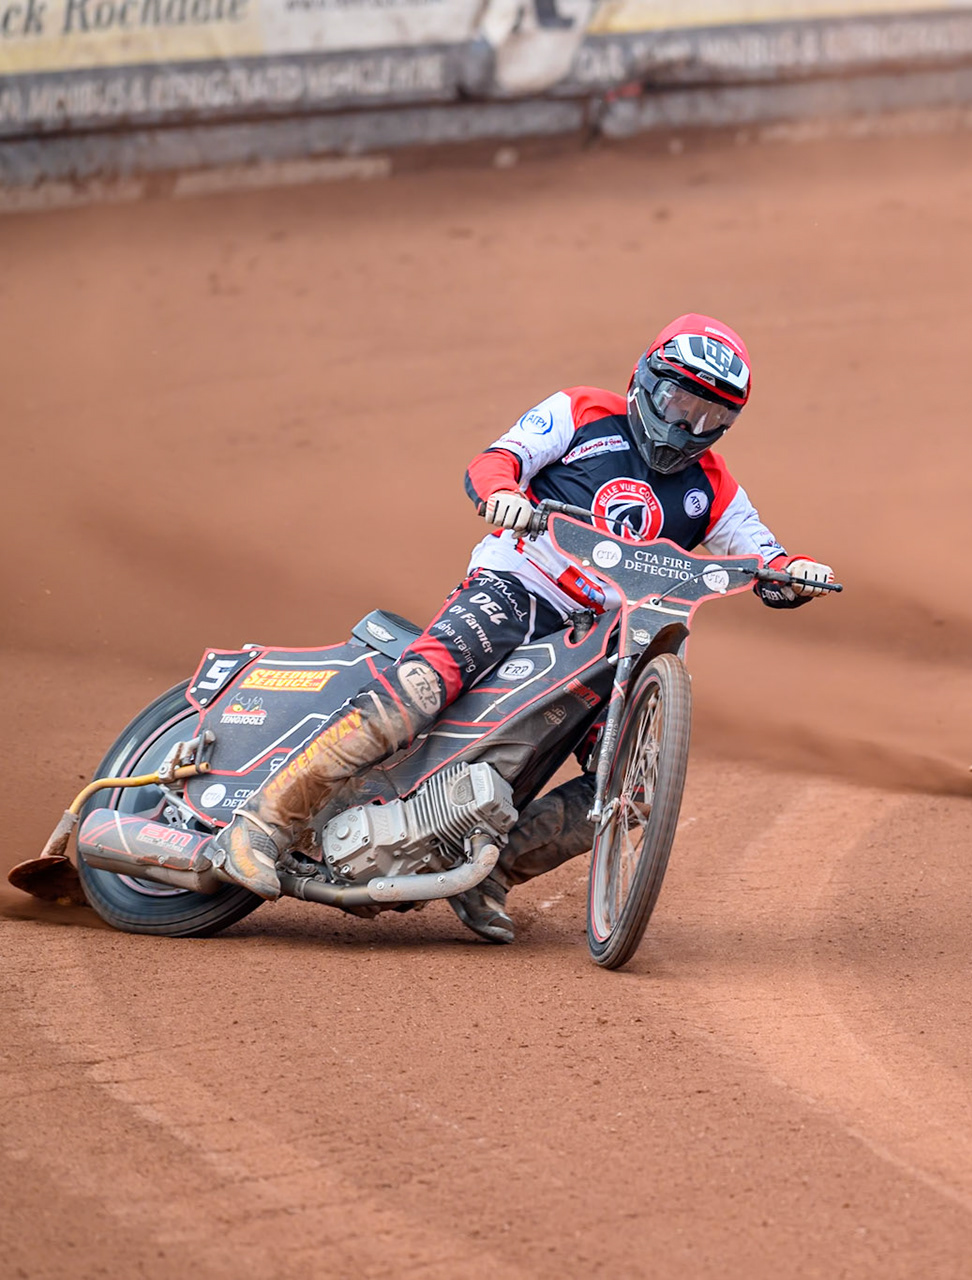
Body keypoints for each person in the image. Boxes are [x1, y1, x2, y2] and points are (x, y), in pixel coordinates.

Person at [203, 314, 836, 941]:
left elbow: (765, 557)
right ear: (644, 379)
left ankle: (489, 874)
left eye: (711, 418)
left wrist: (796, 572)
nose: (688, 427)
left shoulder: (716, 488)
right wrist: (504, 493)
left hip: (605, 633)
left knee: (636, 785)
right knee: (422, 687)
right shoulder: (580, 412)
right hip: (519, 586)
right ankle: (261, 825)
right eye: (679, 402)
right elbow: (497, 460)